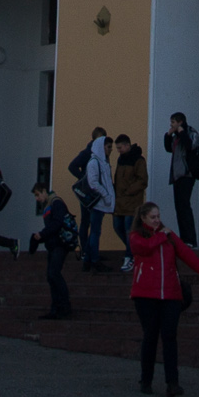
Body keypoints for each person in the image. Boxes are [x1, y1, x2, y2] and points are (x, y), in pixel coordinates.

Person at [128, 203, 199, 396]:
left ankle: (172, 382)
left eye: (158, 216)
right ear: (143, 218)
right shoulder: (137, 236)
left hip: (170, 293)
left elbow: (184, 252)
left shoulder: (168, 236)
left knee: (170, 336)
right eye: (153, 217)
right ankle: (146, 379)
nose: (157, 220)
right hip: (145, 294)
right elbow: (144, 247)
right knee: (150, 336)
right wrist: (161, 236)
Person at [33, 184, 78, 319]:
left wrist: (42, 234)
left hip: (60, 244)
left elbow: (57, 224)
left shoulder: (56, 203)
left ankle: (64, 306)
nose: (37, 198)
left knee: (54, 273)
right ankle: (56, 308)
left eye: (37, 194)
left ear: (44, 191)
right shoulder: (49, 205)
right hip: (54, 245)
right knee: (51, 276)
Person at [76, 127, 115, 272]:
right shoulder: (94, 162)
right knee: (95, 232)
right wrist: (106, 195)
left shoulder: (102, 161)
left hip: (101, 203)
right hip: (97, 203)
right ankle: (94, 260)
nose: (110, 150)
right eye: (108, 147)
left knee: (95, 231)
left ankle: (88, 260)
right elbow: (93, 183)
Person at [163, 112, 199, 245]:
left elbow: (190, 146)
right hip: (176, 175)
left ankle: (190, 239)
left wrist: (181, 133)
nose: (171, 125)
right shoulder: (175, 136)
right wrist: (168, 135)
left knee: (185, 206)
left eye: (173, 122)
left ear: (180, 122)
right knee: (179, 207)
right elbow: (168, 148)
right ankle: (184, 238)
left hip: (187, 174)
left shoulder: (191, 133)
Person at [112, 134, 146, 271]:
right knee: (117, 227)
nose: (118, 150)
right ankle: (133, 251)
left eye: (120, 147)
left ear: (127, 145)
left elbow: (143, 180)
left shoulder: (139, 160)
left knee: (129, 230)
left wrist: (128, 191)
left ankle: (129, 257)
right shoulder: (121, 160)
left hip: (132, 202)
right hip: (120, 202)